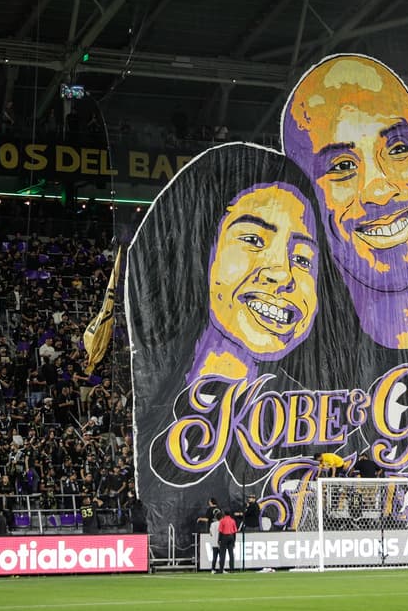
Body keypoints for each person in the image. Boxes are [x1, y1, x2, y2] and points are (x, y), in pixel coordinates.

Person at [129, 144, 353, 554]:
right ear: (204, 252)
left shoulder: (310, 398)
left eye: (303, 259)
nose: (282, 273)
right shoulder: (150, 400)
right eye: (253, 238)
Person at [281, 54, 408, 475]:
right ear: (305, 198)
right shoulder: (287, 338)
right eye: (341, 167)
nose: (377, 188)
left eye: (398, 149)